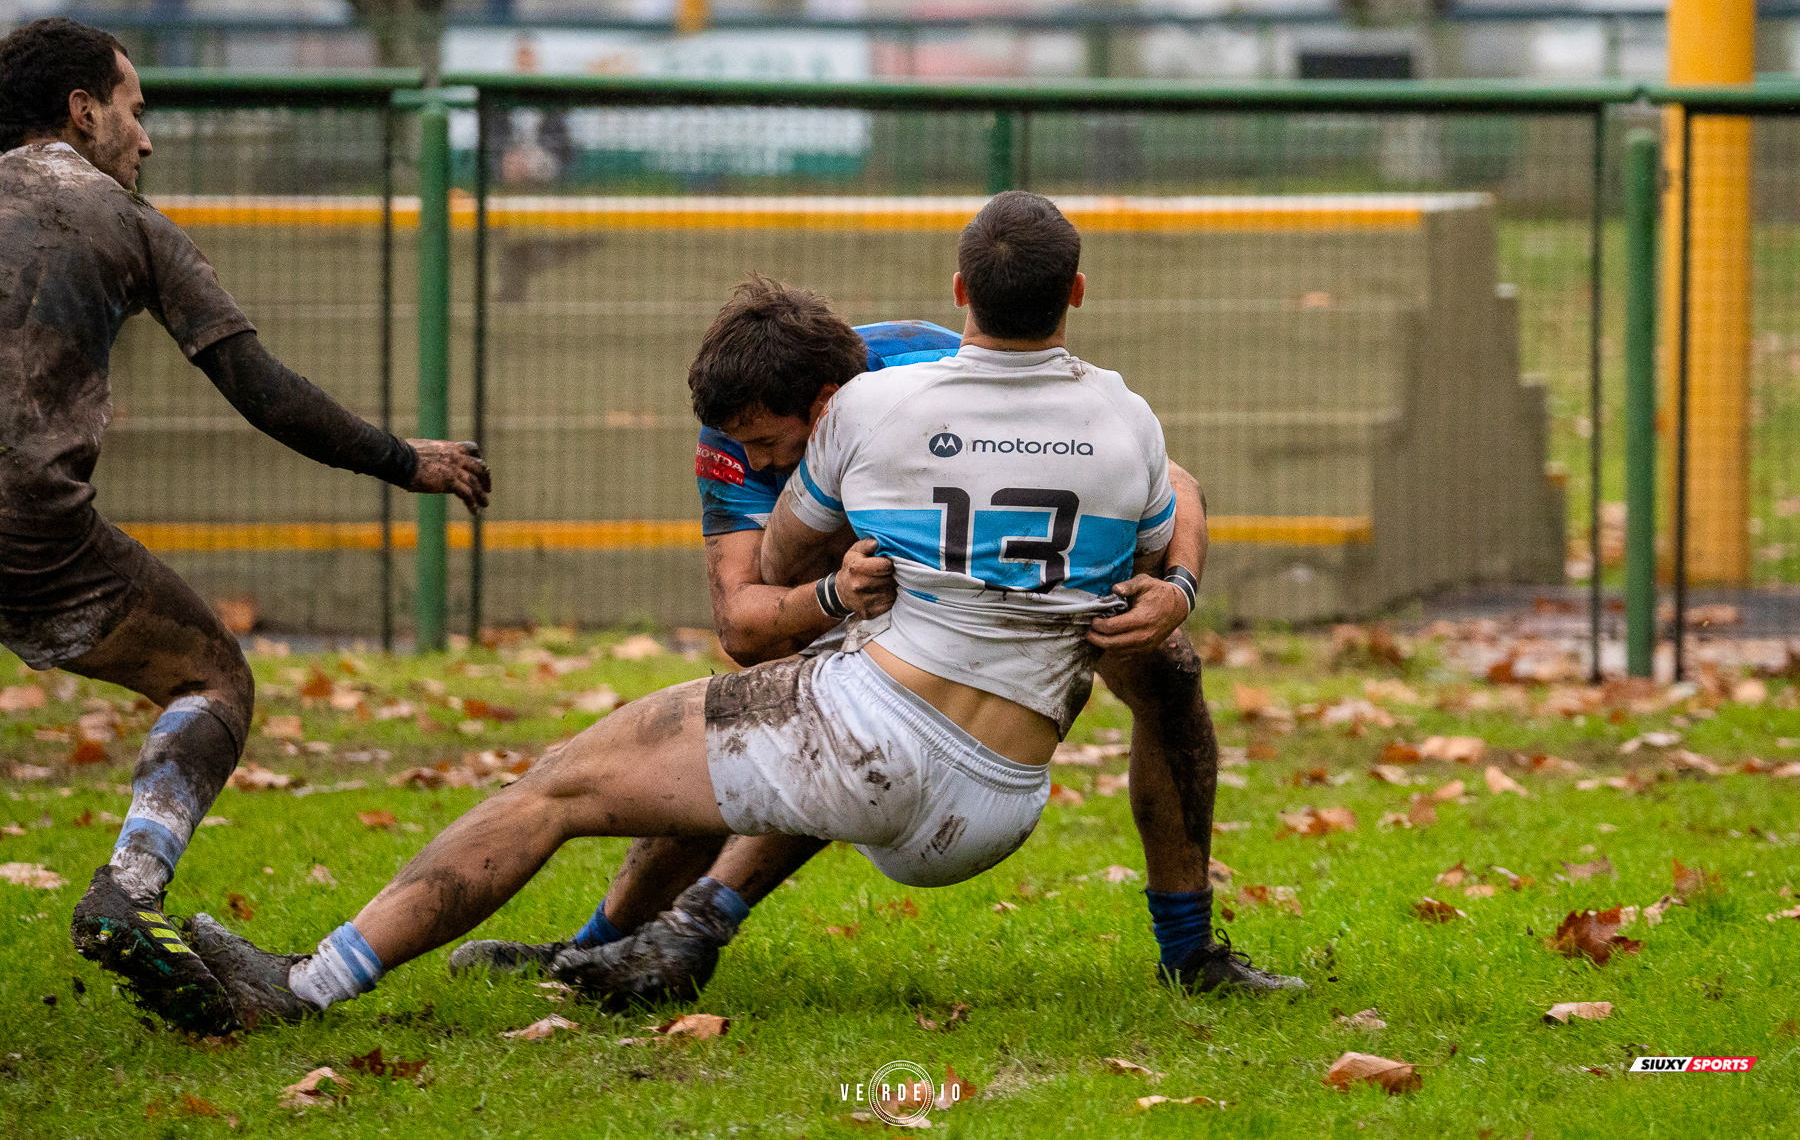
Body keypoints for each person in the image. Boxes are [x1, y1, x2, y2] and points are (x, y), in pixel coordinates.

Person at [183, 191, 1301, 1029]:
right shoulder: (1127, 415)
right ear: (1078, 296)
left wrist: (842, 565)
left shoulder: (870, 402)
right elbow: (1174, 498)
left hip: (874, 741)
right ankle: (656, 937)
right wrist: (1177, 588)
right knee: (1149, 660)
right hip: (1004, 800)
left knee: (562, 783)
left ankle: (304, 987)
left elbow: (781, 558)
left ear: (962, 294)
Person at [447, 274, 1279, 1006]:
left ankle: (1190, 950)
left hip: (1024, 606)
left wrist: (1178, 588)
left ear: (823, 403)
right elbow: (744, 625)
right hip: (871, 614)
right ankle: (608, 945)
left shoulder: (930, 367)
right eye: (756, 447)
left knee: (1168, 670)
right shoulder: (738, 439)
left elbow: (1172, 479)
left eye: (776, 443)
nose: (765, 457)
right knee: (795, 706)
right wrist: (831, 593)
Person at [0, 17, 492, 1036]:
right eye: (134, 111)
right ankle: (129, 890)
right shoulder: (127, 222)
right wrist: (409, 460)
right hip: (28, 533)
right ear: (82, 113)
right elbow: (263, 390)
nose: (148, 139)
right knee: (211, 676)